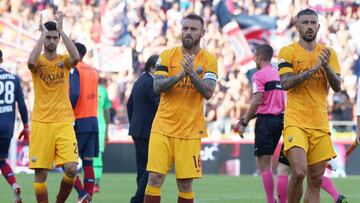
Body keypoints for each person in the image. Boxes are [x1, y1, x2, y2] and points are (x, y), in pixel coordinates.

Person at [144, 14, 218, 203]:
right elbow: (157, 87)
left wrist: (192, 73)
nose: (188, 32)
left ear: (202, 32)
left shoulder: (209, 59)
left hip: (190, 131)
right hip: (163, 128)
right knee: (154, 179)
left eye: (193, 29)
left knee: (185, 184)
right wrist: (180, 75)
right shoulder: (167, 56)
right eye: (185, 28)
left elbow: (209, 92)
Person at [277, 8, 341, 203]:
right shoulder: (287, 51)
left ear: (319, 26)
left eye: (313, 23)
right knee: (298, 172)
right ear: (297, 27)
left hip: (320, 124)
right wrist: (312, 69)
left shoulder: (329, 53)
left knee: (316, 179)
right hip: (296, 122)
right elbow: (286, 83)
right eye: (305, 23)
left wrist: (326, 66)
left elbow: (337, 86)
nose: (309, 27)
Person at [27, 11, 80, 203]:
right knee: (40, 174)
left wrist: (63, 31)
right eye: (48, 37)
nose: (51, 41)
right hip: (42, 122)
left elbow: (76, 58)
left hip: (64, 121)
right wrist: (41, 36)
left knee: (72, 168)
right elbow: (31, 63)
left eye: (54, 38)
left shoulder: (64, 60)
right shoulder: (38, 61)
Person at [236, 44, 285, 203]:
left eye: (255, 57)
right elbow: (272, 101)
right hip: (280, 120)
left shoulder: (259, 75)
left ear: (260, 57)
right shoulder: (278, 74)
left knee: (264, 165)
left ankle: (271, 201)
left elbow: (258, 100)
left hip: (265, 122)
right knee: (271, 164)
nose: (254, 60)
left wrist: (245, 121)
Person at [127, 55, 160, 203]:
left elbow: (129, 104)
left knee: (142, 167)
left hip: (137, 129)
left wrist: (134, 123)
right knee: (150, 167)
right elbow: (158, 105)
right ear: (153, 68)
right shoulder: (150, 83)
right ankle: (138, 199)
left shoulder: (140, 80)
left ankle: (141, 198)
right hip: (146, 131)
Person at [69, 42, 98, 203]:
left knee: (67, 161)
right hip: (92, 120)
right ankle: (89, 198)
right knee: (88, 162)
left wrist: (67, 112)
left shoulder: (75, 68)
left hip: (78, 121)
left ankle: (82, 194)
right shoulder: (92, 71)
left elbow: (74, 94)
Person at [0, 50, 29, 203]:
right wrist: (26, 126)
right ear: (2, 59)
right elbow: (22, 105)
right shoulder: (14, 78)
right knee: (1, 161)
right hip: (7, 128)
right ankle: (14, 185)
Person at [277, 144, 348, 203]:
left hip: (295, 132)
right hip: (313, 134)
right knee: (311, 172)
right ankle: (337, 196)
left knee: (287, 170)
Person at [93, 76, 111, 193]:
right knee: (98, 156)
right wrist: (107, 132)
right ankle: (96, 184)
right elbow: (107, 112)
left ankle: (88, 181)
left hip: (87, 124)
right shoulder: (104, 91)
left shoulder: (89, 88)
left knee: (87, 156)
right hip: (100, 125)